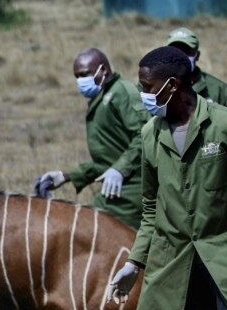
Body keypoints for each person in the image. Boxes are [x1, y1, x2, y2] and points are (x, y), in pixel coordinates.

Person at [110, 46, 227, 310]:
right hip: (172, 257)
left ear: (172, 85)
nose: (142, 95)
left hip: (224, 257)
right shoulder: (150, 135)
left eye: (146, 86)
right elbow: (151, 207)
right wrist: (134, 262)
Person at [34, 48, 149, 229]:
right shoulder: (102, 99)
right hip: (120, 187)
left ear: (103, 70)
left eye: (84, 74)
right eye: (77, 77)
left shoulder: (122, 92)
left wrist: (120, 169)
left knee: (86, 229)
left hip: (136, 188)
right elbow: (106, 161)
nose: (80, 81)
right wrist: (65, 176)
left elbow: (145, 135)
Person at [166, 27, 227, 112]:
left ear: (197, 55)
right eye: (175, 51)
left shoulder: (220, 89)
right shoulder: (157, 85)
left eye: (187, 51)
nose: (181, 56)